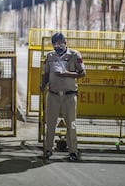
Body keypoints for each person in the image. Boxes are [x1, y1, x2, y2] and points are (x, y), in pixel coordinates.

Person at [40, 32, 86, 162]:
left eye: (60, 42)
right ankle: (48, 149)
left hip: (69, 96)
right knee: (50, 124)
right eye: (55, 43)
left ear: (65, 42)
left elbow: (83, 73)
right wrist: (42, 85)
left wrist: (68, 74)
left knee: (71, 124)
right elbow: (46, 73)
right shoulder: (50, 56)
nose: (57, 45)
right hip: (53, 95)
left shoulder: (74, 55)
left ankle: (73, 151)